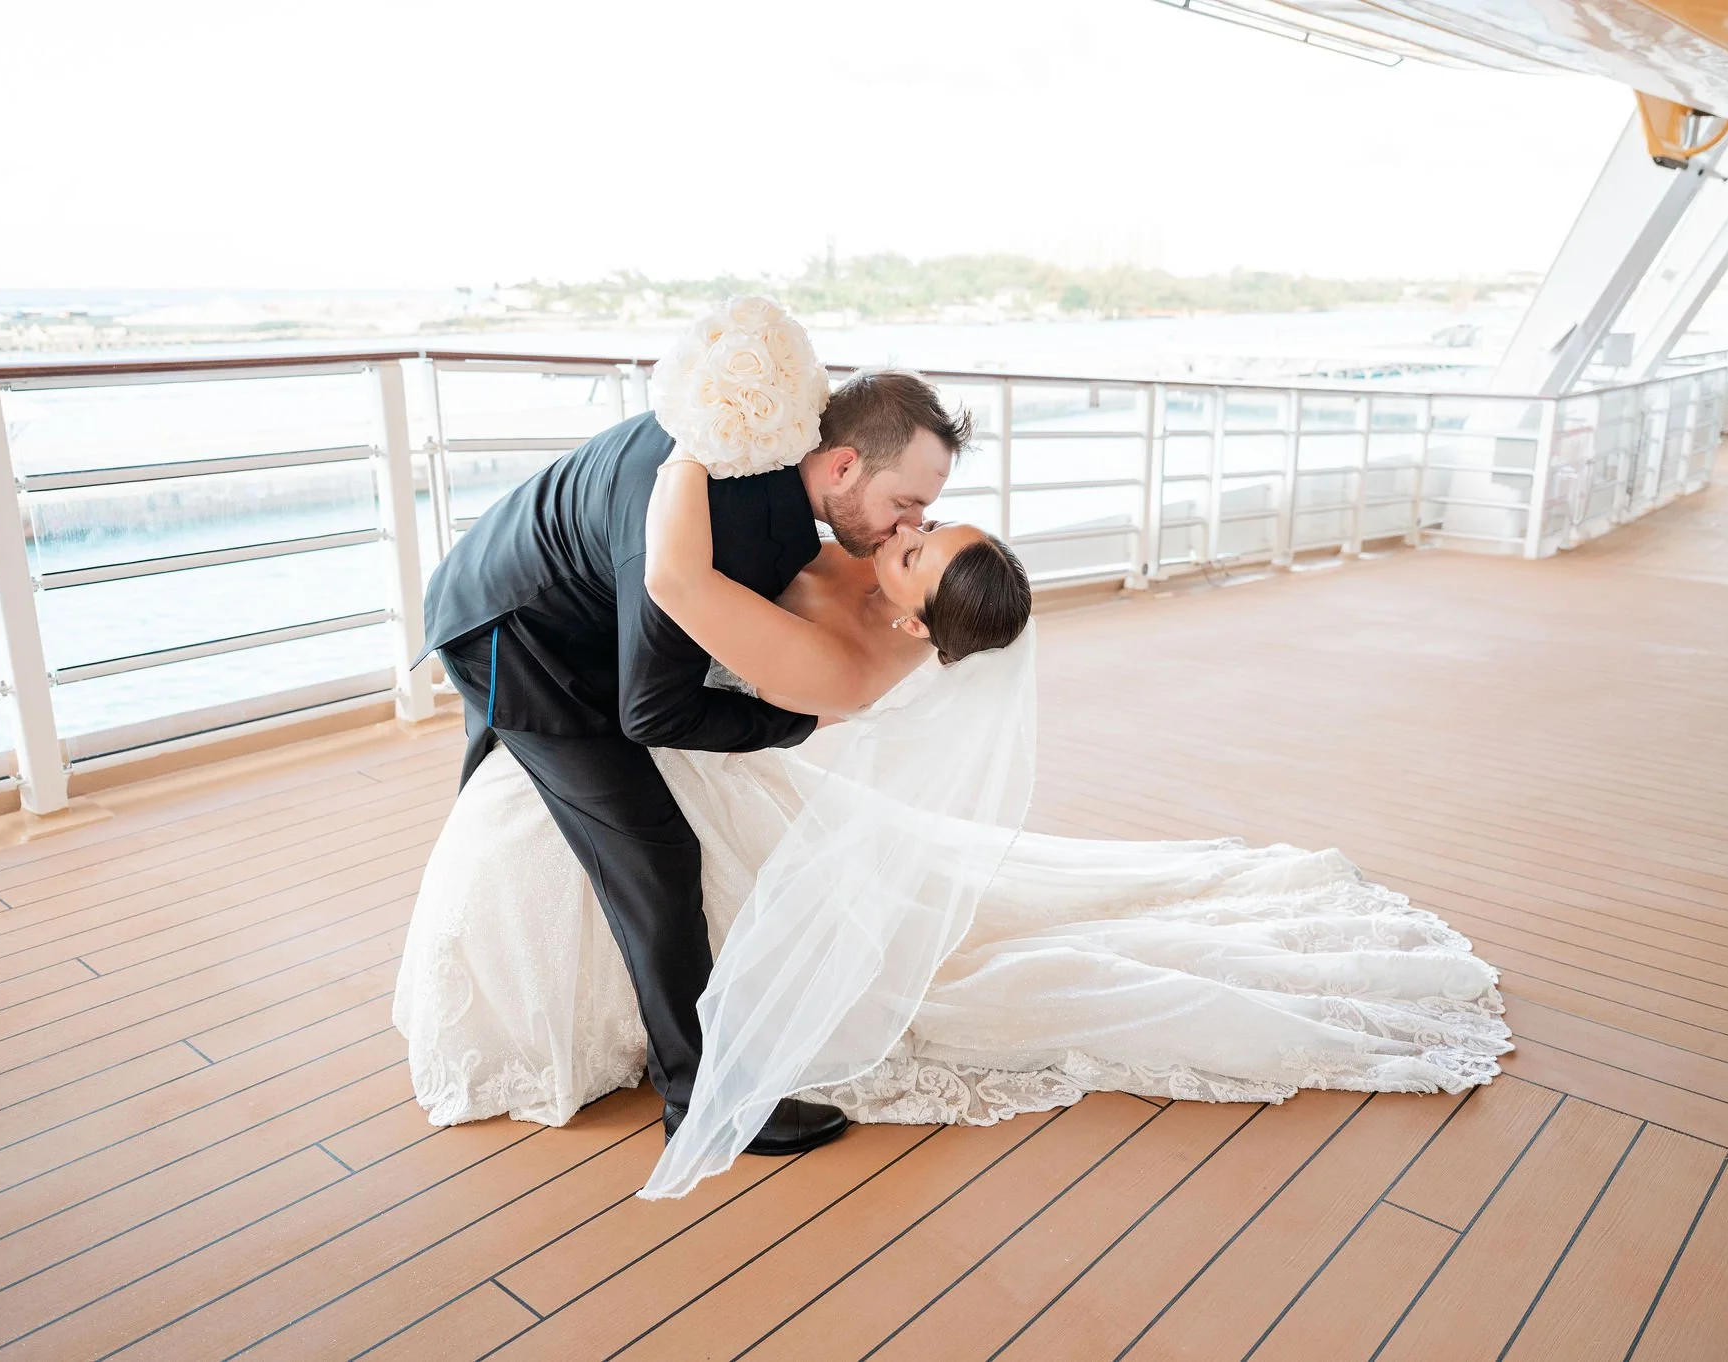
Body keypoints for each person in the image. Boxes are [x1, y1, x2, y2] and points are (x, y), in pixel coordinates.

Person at [395, 408, 1510, 1152]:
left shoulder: (849, 649)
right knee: (545, 782)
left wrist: (686, 441)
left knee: (651, 849)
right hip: (527, 638)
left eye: (920, 543)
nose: (911, 527)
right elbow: (693, 607)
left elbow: (672, 650)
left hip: (609, 684)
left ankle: (700, 1095)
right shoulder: (842, 561)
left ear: (917, 614)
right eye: (917, 516)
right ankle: (658, 1021)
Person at [413, 369, 970, 1158]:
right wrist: (796, 721)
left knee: (560, 796)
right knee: (658, 853)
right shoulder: (733, 517)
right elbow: (653, 713)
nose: (911, 523)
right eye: (904, 505)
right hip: (514, 637)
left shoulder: (759, 448)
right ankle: (699, 1094)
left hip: (538, 592)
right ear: (842, 466)